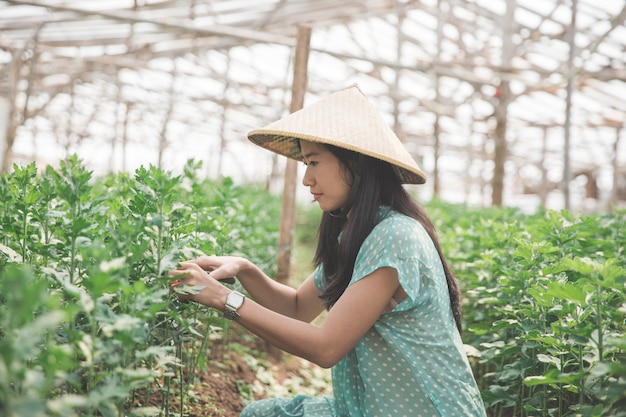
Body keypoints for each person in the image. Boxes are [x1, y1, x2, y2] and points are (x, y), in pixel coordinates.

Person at [169, 85, 487, 417]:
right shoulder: (359, 236)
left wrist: (224, 298)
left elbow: (327, 347)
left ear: (356, 164)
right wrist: (245, 269)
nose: (307, 179)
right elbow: (296, 308)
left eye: (314, 162)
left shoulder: (395, 236)